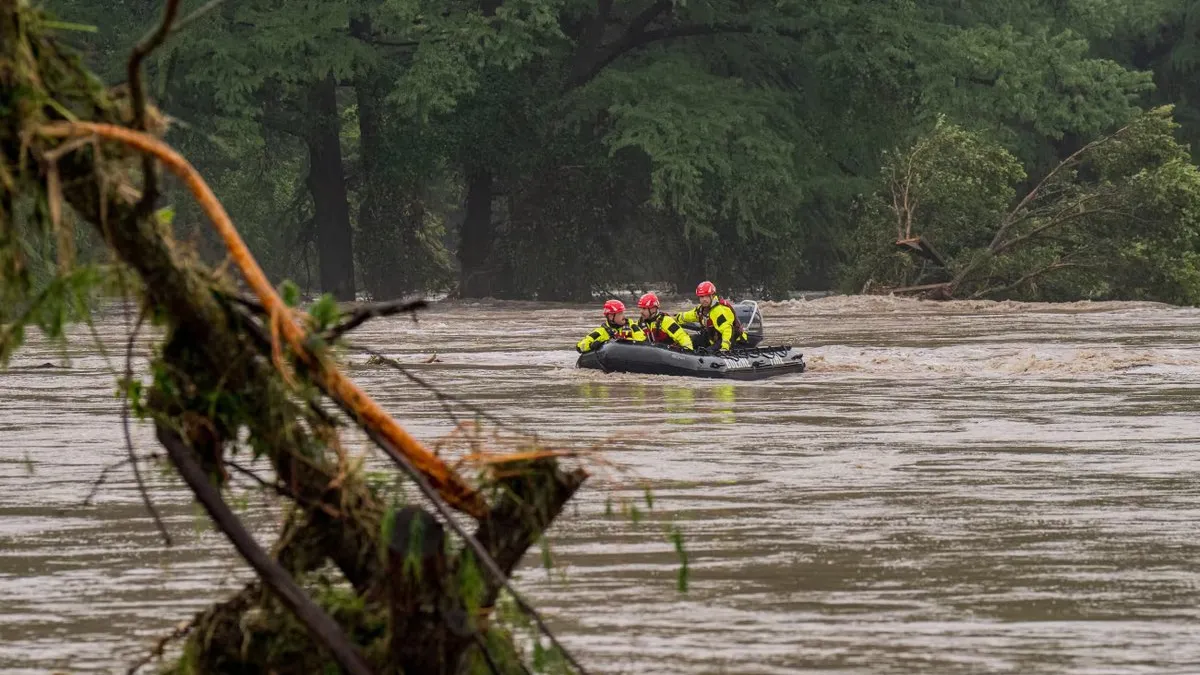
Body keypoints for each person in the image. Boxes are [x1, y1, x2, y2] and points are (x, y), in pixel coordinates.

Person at [674, 281, 747, 352]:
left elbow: (727, 331)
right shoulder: (701, 309)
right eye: (701, 297)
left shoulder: (719, 310)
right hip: (713, 338)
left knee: (707, 352)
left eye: (706, 296)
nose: (704, 299)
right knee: (691, 340)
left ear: (712, 296)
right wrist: (676, 318)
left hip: (730, 340)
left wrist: (724, 349)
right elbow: (689, 315)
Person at [576, 299, 646, 353]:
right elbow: (579, 346)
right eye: (620, 314)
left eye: (623, 313)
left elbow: (642, 340)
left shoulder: (632, 326)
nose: (624, 316)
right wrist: (591, 345)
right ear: (610, 316)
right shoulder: (601, 332)